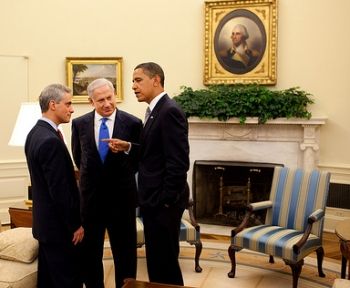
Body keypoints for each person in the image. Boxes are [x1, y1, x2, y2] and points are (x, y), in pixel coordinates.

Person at [71, 78, 142, 288]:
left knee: (125, 253)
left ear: (115, 95)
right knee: (90, 254)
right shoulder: (79, 123)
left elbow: (140, 159)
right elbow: (78, 158)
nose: (107, 104)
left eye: (109, 98)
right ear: (91, 101)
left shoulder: (133, 123)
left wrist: (125, 151)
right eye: (100, 100)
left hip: (122, 201)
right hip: (91, 202)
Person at [132, 62, 190, 285]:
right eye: (133, 82)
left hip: (162, 204)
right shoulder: (155, 111)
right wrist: (129, 146)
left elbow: (178, 163)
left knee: (165, 262)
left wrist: (164, 201)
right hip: (153, 201)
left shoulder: (169, 111)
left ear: (156, 80)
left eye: (138, 80)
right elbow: (153, 153)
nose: (134, 86)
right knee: (157, 261)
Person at [24, 84, 84, 288]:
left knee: (48, 281)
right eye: (68, 104)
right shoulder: (50, 140)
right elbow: (59, 191)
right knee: (68, 281)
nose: (72, 109)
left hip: (46, 226)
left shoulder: (34, 133)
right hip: (59, 230)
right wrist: (75, 225)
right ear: (52, 104)